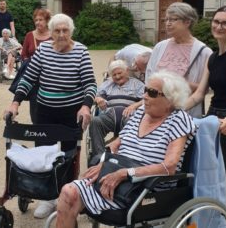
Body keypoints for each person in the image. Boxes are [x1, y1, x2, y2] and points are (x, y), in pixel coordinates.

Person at [56, 71, 196, 228]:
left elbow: (169, 166)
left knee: (73, 195)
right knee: (68, 192)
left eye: (152, 92)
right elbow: (114, 145)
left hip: (147, 190)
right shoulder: (140, 113)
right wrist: (104, 165)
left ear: (170, 100)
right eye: (145, 90)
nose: (144, 96)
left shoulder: (178, 119)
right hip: (116, 179)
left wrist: (125, 173)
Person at [5, 13, 97, 219]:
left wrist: (85, 106)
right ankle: (47, 198)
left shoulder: (81, 51)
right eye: (57, 31)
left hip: (70, 111)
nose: (62, 34)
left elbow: (90, 83)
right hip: (45, 110)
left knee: (67, 156)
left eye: (65, 30)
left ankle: (66, 197)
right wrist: (15, 102)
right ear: (51, 33)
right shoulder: (44, 49)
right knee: (44, 154)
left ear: (71, 32)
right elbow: (28, 78)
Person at [185, 5, 226, 221]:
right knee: (216, 178)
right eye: (216, 21)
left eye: (225, 23)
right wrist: (174, 110)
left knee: (221, 178)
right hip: (212, 120)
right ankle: (222, 221)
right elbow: (198, 95)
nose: (219, 26)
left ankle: (225, 221)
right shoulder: (212, 57)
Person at [146, 2, 212, 118]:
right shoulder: (160, 47)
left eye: (173, 19)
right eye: (166, 20)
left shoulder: (204, 52)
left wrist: (180, 84)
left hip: (184, 113)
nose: (168, 23)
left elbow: (206, 89)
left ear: (187, 22)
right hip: (156, 110)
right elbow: (149, 77)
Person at [88, 60, 145, 165]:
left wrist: (135, 105)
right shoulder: (107, 84)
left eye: (120, 73)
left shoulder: (137, 84)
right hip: (109, 115)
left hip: (130, 116)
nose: (117, 77)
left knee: (133, 124)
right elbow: (95, 95)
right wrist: (98, 99)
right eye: (114, 75)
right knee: (95, 121)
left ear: (126, 71)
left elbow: (146, 99)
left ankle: (125, 158)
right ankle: (99, 158)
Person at [20, 8, 52, 123]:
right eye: (36, 20)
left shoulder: (53, 36)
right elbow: (23, 55)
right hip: (34, 80)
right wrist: (31, 62)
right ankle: (37, 133)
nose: (38, 22)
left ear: (47, 21)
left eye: (41, 19)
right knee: (35, 109)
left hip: (50, 79)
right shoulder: (29, 35)